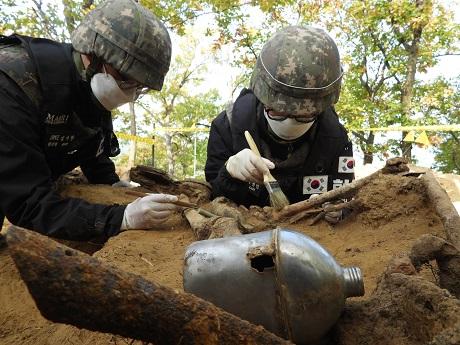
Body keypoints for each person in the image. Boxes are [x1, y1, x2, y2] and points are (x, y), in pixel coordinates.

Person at [0, 0, 179, 240]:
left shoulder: (87, 87)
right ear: (91, 55)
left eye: (141, 87)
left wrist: (111, 183)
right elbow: (29, 204)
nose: (131, 93)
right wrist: (121, 218)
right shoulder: (13, 84)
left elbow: (91, 142)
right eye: (126, 77)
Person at [205, 26, 355, 223]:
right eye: (278, 111)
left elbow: (345, 195)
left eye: (304, 115)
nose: (290, 122)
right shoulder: (228, 126)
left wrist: (337, 209)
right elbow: (211, 200)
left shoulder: (335, 138)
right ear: (263, 97)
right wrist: (229, 172)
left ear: (319, 110)